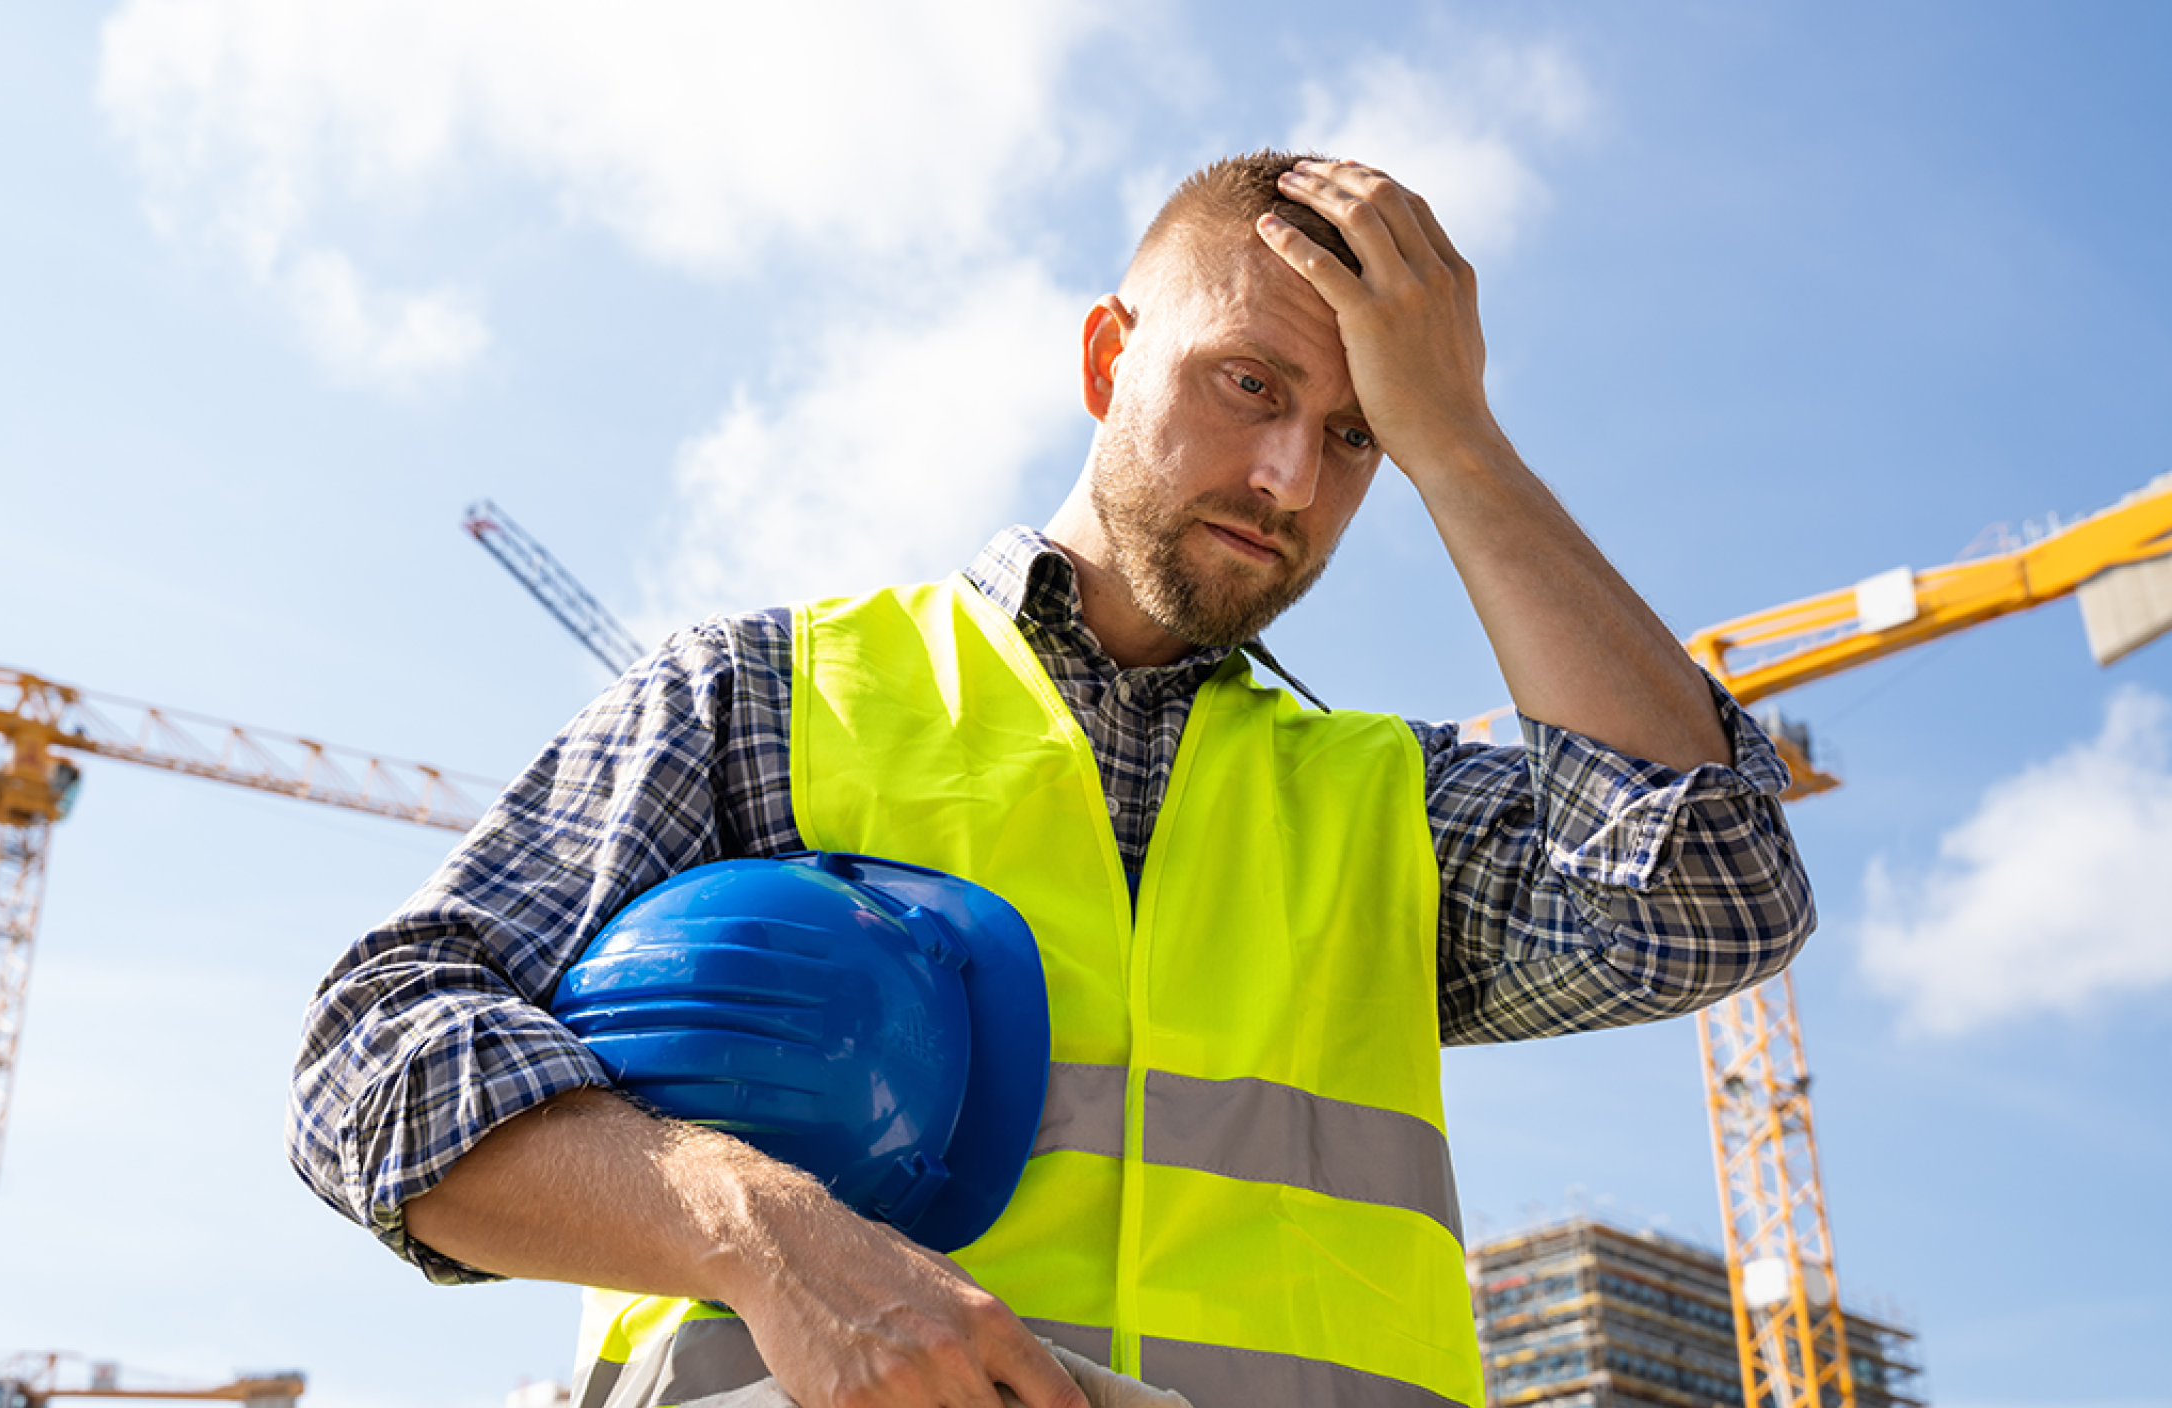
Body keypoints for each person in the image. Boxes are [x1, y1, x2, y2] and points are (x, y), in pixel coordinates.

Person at [289, 151, 1815, 1408]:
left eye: (1359, 435)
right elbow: (373, 1063)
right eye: (1247, 384)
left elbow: (1719, 896)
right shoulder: (769, 695)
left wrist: (1462, 440)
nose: (1291, 478)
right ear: (1107, 357)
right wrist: (767, 1234)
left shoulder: (1389, 809)